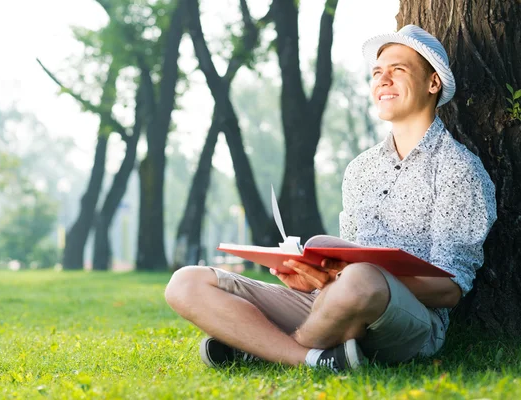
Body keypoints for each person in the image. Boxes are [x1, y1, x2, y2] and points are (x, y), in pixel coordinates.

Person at [164, 25, 497, 372]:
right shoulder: (360, 170)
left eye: (398, 70)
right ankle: (313, 359)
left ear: (433, 83)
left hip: (406, 319)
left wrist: (355, 276)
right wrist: (315, 274)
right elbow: (344, 263)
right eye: (377, 73)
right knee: (186, 282)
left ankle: (262, 346)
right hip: (330, 301)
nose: (383, 80)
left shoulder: (459, 169)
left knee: (362, 279)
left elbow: (449, 289)